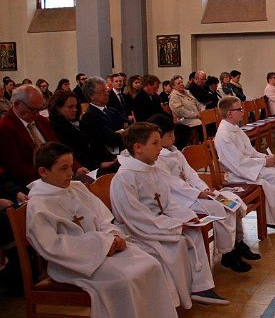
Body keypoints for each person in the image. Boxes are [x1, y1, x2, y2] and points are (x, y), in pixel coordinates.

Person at [27, 142, 178, 318]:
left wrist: (114, 236)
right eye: (63, 168)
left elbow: (103, 219)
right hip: (73, 264)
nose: (70, 173)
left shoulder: (77, 188)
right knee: (125, 279)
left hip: (104, 250)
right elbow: (52, 246)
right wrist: (103, 245)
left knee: (151, 264)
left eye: (71, 166)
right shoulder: (39, 205)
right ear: (43, 172)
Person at [110, 122, 229, 306]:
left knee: (193, 231)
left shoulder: (151, 169)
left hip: (157, 222)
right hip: (139, 230)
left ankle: (200, 287)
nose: (160, 148)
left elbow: (167, 203)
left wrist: (186, 217)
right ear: (138, 148)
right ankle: (177, 297)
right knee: (177, 243)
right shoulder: (124, 177)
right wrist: (173, 225)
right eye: (155, 143)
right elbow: (135, 216)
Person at [149, 114, 261, 273]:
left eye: (173, 133)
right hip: (183, 200)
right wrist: (198, 194)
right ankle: (228, 253)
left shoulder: (176, 152)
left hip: (197, 194)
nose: (173, 138)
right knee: (220, 208)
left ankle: (238, 242)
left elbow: (191, 174)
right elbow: (174, 185)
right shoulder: (158, 160)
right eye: (169, 135)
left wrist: (204, 189)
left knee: (232, 202)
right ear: (158, 137)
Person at [215, 96, 275, 232]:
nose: (243, 111)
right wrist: (264, 162)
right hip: (239, 174)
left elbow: (251, 152)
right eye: (239, 109)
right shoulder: (224, 135)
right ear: (229, 113)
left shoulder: (235, 129)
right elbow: (237, 163)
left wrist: (266, 157)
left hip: (250, 167)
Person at [0, 85, 89, 187]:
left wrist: (76, 168)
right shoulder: (5, 128)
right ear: (17, 105)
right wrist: (52, 176)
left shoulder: (41, 121)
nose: (37, 113)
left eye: (39, 109)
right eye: (33, 110)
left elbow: (58, 149)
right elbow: (17, 168)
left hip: (58, 176)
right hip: (35, 183)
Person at [48, 90, 118, 173]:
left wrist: (111, 159)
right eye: (70, 107)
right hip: (85, 169)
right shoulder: (57, 128)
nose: (75, 110)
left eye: (76, 106)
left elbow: (96, 143)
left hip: (98, 162)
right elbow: (74, 153)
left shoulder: (79, 123)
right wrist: (100, 164)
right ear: (58, 109)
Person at [80, 77, 128, 157]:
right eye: (102, 91)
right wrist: (122, 132)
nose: (107, 94)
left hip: (123, 150)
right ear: (91, 95)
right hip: (107, 156)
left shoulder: (112, 111)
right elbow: (110, 140)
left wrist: (121, 132)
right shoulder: (89, 117)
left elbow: (129, 125)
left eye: (106, 90)